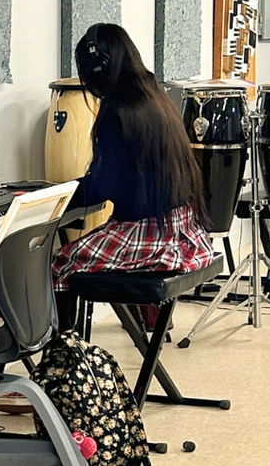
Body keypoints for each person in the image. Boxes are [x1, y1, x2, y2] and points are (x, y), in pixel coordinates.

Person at [53, 23, 215, 322]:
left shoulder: (118, 111)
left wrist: (51, 197)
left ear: (97, 68)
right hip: (183, 231)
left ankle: (66, 354)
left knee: (59, 263)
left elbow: (102, 187)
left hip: (149, 236)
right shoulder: (156, 96)